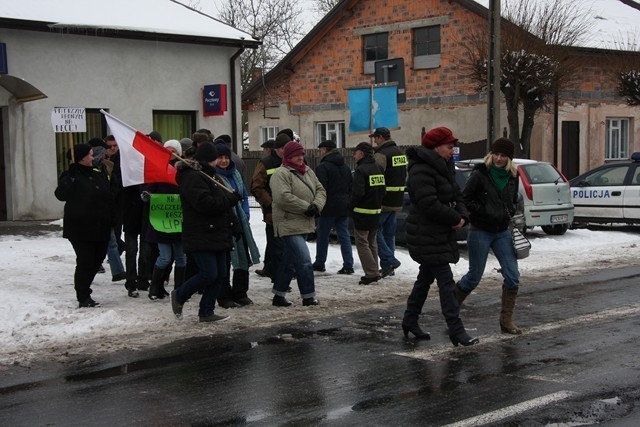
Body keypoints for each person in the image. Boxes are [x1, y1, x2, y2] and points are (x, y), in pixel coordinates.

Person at [402, 127, 479, 346]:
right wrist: (454, 219)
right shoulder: (420, 170)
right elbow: (429, 204)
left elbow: (457, 194)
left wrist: (462, 215)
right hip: (425, 234)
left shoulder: (445, 166)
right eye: (449, 146)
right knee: (446, 282)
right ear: (436, 147)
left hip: (439, 233)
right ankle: (456, 329)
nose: (452, 151)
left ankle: (409, 320)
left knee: (424, 280)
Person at [456, 137, 522, 335]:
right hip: (480, 230)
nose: (499, 158)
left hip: (502, 231)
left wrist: (509, 208)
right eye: (496, 154)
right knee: (474, 277)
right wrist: (483, 212)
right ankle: (451, 309)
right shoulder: (480, 173)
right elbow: (465, 198)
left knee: (513, 276)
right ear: (491, 154)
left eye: (503, 155)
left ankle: (506, 320)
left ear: (509, 159)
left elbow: (513, 199)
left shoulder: (513, 175)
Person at [170, 141, 240, 322]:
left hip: (217, 233)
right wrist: (230, 200)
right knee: (209, 273)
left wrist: (233, 222)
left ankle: (206, 311)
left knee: (220, 275)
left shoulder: (210, 176)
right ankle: (179, 295)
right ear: (210, 159)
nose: (219, 161)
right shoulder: (193, 177)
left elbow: (221, 203)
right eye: (217, 158)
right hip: (201, 233)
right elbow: (205, 204)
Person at [54, 144, 113, 308]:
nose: (93, 158)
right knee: (85, 260)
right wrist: (70, 177)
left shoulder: (97, 173)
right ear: (81, 157)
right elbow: (61, 195)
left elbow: (108, 195)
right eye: (90, 155)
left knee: (98, 258)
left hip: (100, 225)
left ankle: (85, 287)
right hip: (80, 228)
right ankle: (83, 295)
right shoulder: (71, 175)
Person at [270, 141, 326, 307]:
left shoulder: (308, 171)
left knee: (289, 262)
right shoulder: (281, 174)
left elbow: (320, 190)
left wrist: (316, 206)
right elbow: (282, 197)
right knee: (304, 260)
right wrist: (306, 208)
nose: (300, 158)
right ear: (288, 157)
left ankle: (278, 296)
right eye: (296, 155)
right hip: (288, 224)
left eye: (301, 154)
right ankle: (308, 296)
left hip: (304, 223)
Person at [215, 142, 261, 307]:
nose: (224, 161)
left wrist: (246, 214)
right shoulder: (213, 177)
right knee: (225, 261)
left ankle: (240, 293)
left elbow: (243, 197)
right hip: (223, 225)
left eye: (226, 157)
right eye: (220, 157)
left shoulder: (235, 174)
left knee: (242, 257)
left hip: (240, 222)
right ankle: (224, 296)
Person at [143, 140, 186, 300]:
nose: (170, 154)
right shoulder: (158, 169)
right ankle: (155, 288)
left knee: (181, 257)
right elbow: (149, 190)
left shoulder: (184, 171)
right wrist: (147, 195)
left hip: (179, 222)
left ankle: (180, 291)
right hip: (161, 222)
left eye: (173, 151)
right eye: (167, 151)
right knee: (165, 257)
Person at [251, 132, 290, 280]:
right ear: (276, 149)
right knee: (277, 248)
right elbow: (257, 187)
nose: (285, 152)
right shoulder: (266, 163)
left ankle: (281, 276)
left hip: (292, 213)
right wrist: (272, 204)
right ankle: (279, 279)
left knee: (288, 248)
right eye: (282, 149)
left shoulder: (295, 161)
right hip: (273, 214)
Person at [312, 139, 354, 274]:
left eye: (320, 150)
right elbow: (350, 186)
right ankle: (348, 264)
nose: (319, 152)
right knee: (344, 235)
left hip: (327, 207)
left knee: (323, 236)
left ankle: (320, 263)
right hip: (343, 206)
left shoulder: (322, 167)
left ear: (325, 150)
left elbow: (320, 188)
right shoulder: (346, 167)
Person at [371, 127, 406, 278]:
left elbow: (376, 178)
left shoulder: (381, 155)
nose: (374, 141)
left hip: (383, 200)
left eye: (375, 138)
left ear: (380, 138)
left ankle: (390, 260)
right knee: (389, 234)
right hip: (397, 199)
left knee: (374, 232)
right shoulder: (400, 153)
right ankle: (388, 267)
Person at [351, 142, 386, 285]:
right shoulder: (377, 168)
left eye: (356, 152)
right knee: (372, 242)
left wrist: (349, 206)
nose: (354, 155)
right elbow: (383, 190)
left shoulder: (361, 170)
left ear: (362, 153)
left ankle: (371, 273)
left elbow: (357, 193)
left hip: (362, 213)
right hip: (375, 211)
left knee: (362, 242)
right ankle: (374, 270)